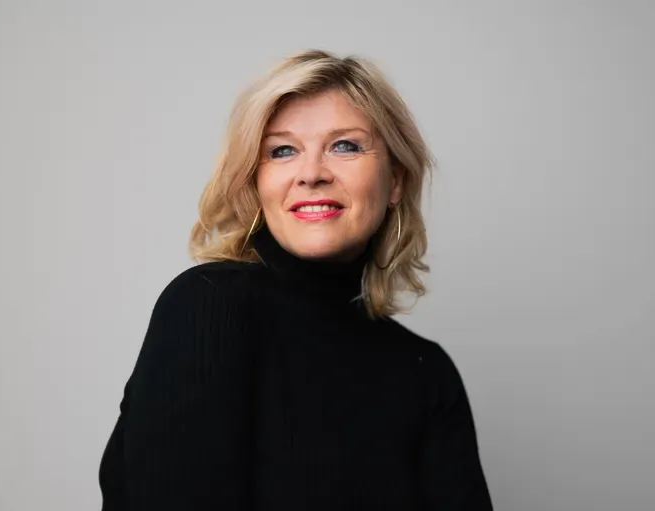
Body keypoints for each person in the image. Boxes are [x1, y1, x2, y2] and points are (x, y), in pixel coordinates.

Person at [98, 49, 493, 510]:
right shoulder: (208, 307)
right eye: (282, 150)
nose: (311, 174)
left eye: (344, 145)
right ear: (255, 181)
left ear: (396, 180)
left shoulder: (427, 373)